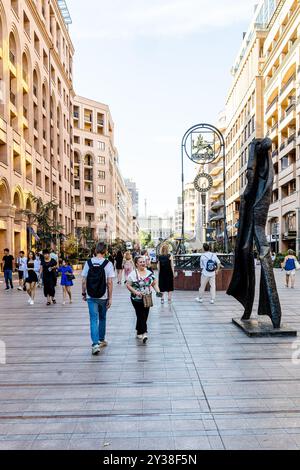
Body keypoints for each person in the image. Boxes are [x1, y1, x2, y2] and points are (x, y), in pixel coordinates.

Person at [82, 242, 115, 355]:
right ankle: (101, 339)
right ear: (105, 251)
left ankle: (95, 344)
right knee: (102, 318)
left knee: (93, 319)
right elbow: (109, 283)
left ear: (95, 250)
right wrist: (110, 298)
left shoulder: (88, 262)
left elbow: (83, 280)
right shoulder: (108, 264)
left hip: (91, 295)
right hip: (103, 296)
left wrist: (83, 293)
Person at [126, 256, 161, 344]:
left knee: (145, 315)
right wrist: (135, 292)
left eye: (143, 261)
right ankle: (144, 333)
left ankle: (139, 331)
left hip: (147, 298)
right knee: (140, 314)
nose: (142, 263)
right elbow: (128, 285)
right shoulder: (133, 274)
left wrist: (158, 291)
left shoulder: (149, 273)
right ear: (136, 264)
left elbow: (154, 283)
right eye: (140, 262)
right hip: (136, 299)